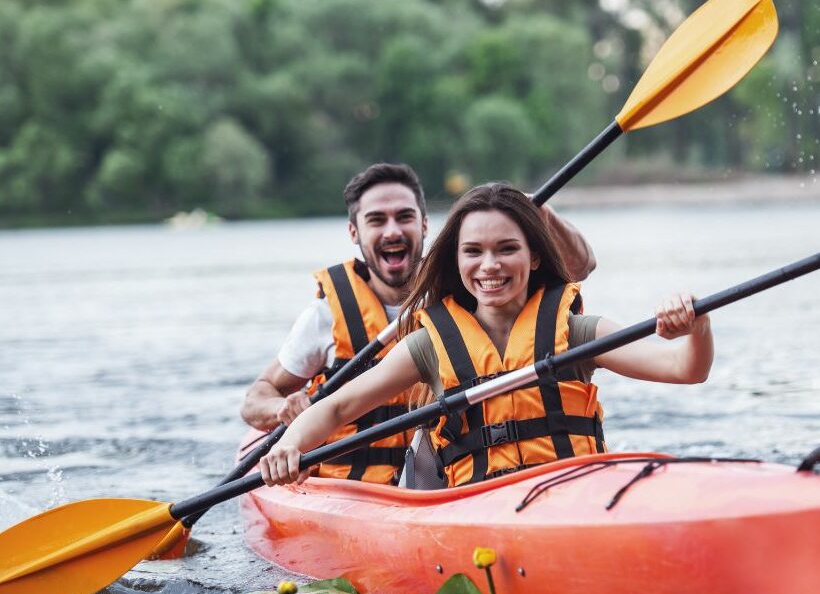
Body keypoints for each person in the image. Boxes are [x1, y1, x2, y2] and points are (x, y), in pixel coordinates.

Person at [258, 182, 713, 489]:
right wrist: (288, 447)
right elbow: (337, 405)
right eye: (473, 252)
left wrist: (697, 326)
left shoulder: (575, 331)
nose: (489, 265)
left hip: (574, 495)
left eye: (507, 249)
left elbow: (685, 369)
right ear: (457, 262)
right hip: (476, 508)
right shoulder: (430, 346)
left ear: (534, 257)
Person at [241, 164, 596, 484]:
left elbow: (578, 267)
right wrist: (282, 411)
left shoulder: (468, 288)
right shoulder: (325, 317)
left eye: (404, 217)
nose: (393, 231)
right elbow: (255, 401)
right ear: (354, 232)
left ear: (424, 224)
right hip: (350, 483)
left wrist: (535, 211)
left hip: (436, 474)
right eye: (377, 220)